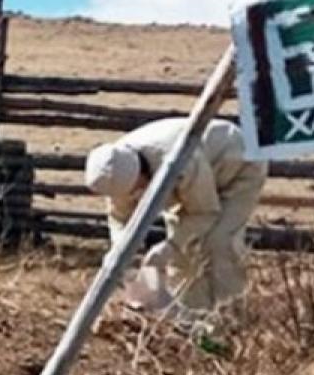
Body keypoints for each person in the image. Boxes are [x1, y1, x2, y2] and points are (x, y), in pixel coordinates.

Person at [84, 117, 268, 312]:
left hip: (236, 166)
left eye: (138, 187)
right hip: (191, 185)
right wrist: (120, 251)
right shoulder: (113, 171)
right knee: (183, 257)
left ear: (142, 173)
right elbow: (119, 218)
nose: (136, 195)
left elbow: (205, 214)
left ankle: (232, 317)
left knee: (218, 241)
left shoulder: (179, 161)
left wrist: (169, 246)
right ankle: (194, 321)